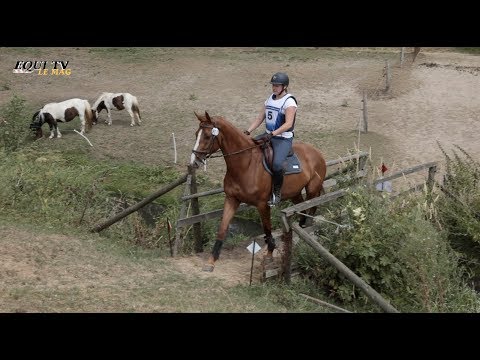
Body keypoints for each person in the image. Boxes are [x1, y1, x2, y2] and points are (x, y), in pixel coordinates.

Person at [244, 72, 298, 206]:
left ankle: (277, 193)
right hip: (268, 135)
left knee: (277, 164)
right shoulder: (270, 99)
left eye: (277, 85)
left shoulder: (289, 102)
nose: (274, 88)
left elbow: (288, 124)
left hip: (282, 139)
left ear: (284, 86)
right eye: (273, 85)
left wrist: (273, 134)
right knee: (248, 150)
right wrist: (248, 131)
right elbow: (259, 118)